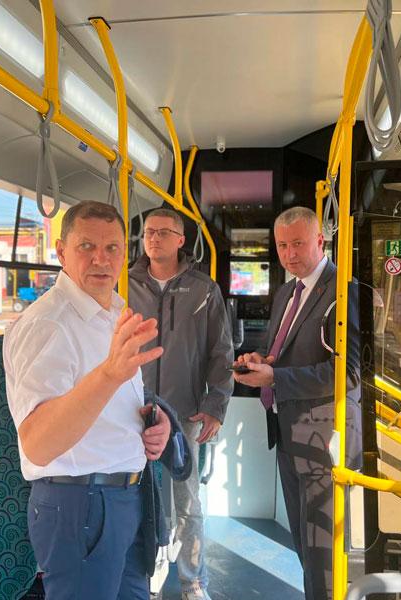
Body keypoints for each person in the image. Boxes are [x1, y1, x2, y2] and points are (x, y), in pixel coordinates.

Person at [3, 200, 172, 600]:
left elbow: (111, 402)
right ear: (61, 252)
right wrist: (109, 374)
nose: (101, 258)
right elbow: (38, 443)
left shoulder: (113, 312)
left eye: (112, 247)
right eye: (86, 247)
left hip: (125, 498)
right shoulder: (48, 325)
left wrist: (155, 422)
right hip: (79, 504)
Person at [233, 206, 361, 600]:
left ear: (320, 241)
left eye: (299, 244)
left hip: (323, 436)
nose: (289, 254)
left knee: (323, 552)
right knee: (305, 546)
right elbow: (281, 353)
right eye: (282, 245)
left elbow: (350, 373)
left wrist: (276, 378)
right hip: (287, 432)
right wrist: (260, 361)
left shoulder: (344, 291)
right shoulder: (286, 292)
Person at [129, 208, 234, 600]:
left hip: (183, 411)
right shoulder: (125, 283)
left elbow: (220, 352)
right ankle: (144, 577)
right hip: (130, 410)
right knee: (134, 497)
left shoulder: (203, 290)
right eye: (148, 232)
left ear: (180, 240)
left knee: (186, 502)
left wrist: (215, 405)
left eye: (163, 232)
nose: (154, 238)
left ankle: (193, 581)